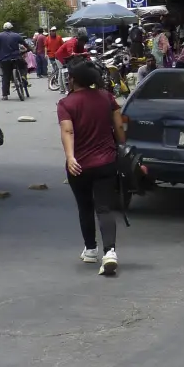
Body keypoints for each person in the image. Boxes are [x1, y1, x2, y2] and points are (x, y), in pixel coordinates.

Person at [58, 59, 125, 275]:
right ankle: (110, 252)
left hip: (80, 166)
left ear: (73, 80)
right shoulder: (107, 98)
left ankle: (90, 250)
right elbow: (119, 127)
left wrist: (70, 157)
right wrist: (122, 147)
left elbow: (68, 131)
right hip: (107, 162)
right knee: (104, 208)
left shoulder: (66, 104)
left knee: (85, 207)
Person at [0, 22, 25, 100]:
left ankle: (5, 95)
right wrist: (29, 49)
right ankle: (23, 78)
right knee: (23, 66)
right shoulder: (16, 35)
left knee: (5, 76)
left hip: (4, 59)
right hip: (16, 57)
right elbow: (24, 43)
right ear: (12, 28)